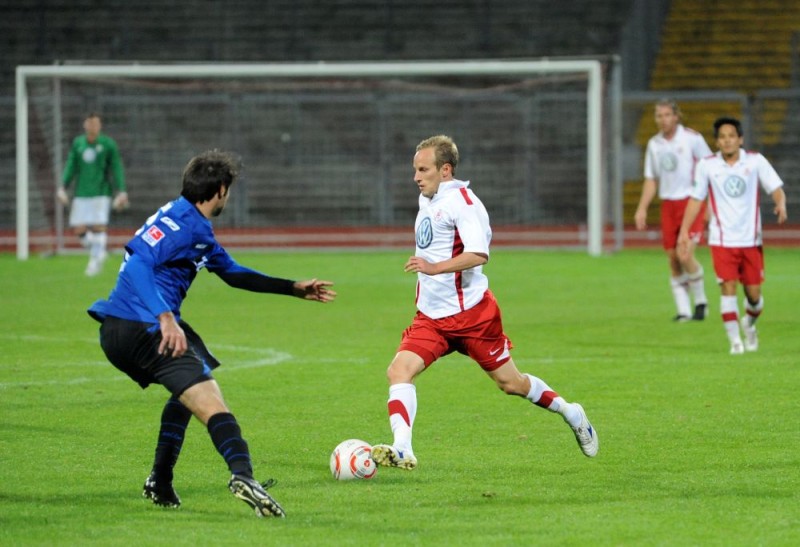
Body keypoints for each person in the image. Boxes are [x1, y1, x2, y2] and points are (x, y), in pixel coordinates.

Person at [87, 150, 336, 517]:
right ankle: (242, 475)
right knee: (211, 400)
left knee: (191, 382)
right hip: (146, 325)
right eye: (228, 190)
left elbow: (232, 272)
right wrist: (165, 317)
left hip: (117, 330)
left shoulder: (185, 220)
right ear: (220, 190)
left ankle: (160, 480)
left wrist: (292, 287)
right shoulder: (186, 225)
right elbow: (139, 262)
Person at [371, 135, 598, 471]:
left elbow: (478, 254)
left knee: (512, 384)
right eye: (415, 170)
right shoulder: (428, 199)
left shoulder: (464, 203)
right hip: (432, 318)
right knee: (399, 371)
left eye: (423, 170)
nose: (416, 177)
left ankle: (570, 411)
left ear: (445, 170)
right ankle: (402, 448)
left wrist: (434, 268)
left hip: (473, 317)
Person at [678, 117, 787, 355]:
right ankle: (735, 342)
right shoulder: (707, 165)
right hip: (722, 240)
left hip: (750, 240)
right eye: (722, 137)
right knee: (727, 287)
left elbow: (776, 188)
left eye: (731, 136)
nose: (727, 141)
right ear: (717, 142)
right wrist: (685, 231)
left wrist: (781, 204)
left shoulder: (755, 161)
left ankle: (749, 322)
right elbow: (696, 199)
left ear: (740, 139)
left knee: (754, 296)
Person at [635, 99, 712, 321]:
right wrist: (642, 207)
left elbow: (711, 168)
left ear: (676, 116)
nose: (663, 119)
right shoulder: (654, 144)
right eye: (659, 116)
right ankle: (683, 311)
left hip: (691, 202)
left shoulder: (692, 138)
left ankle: (701, 302)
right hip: (668, 204)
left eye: (667, 115)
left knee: (684, 253)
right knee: (672, 258)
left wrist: (710, 204)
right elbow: (651, 179)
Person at [58, 112, 129, 276]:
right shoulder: (78, 144)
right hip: (81, 192)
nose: (93, 127)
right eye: (90, 123)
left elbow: (116, 167)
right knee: (78, 229)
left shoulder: (107, 144)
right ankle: (100, 250)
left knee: (98, 227)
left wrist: (121, 190)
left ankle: (94, 264)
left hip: (101, 192)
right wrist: (63, 186)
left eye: (96, 124)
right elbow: (71, 165)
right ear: (85, 125)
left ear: (100, 126)